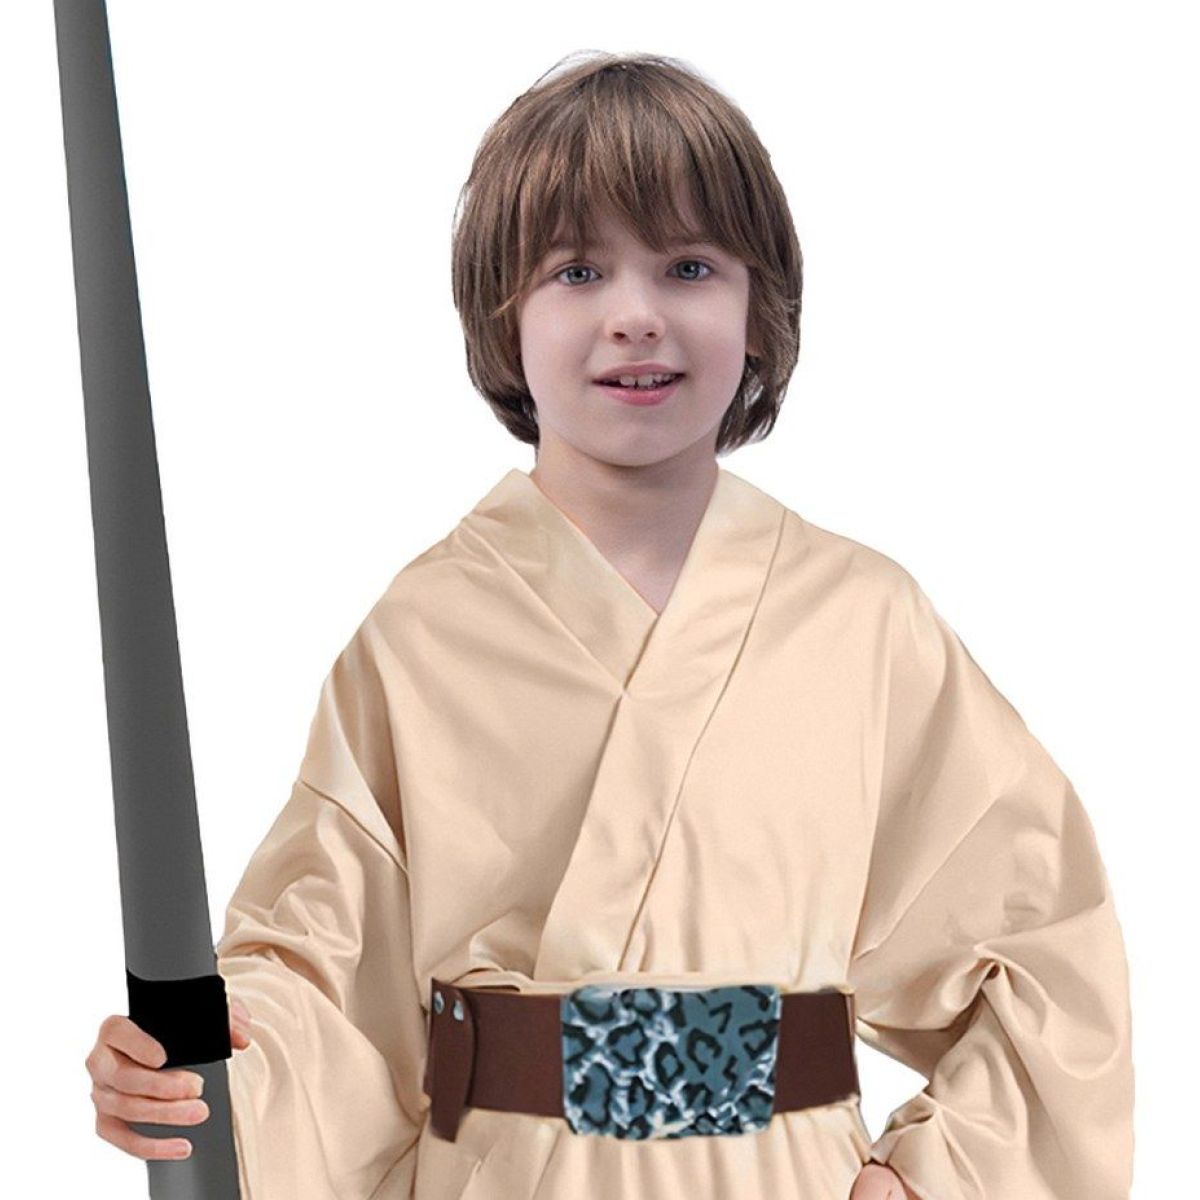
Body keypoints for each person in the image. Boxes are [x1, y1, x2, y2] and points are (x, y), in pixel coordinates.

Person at [84, 50, 1134, 1199]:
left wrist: (934, 1181)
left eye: (689, 266)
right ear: (507, 317)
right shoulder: (424, 635)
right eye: (577, 271)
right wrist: (200, 1072)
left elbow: (1043, 947)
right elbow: (326, 978)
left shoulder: (868, 625)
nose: (636, 317)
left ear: (758, 308)